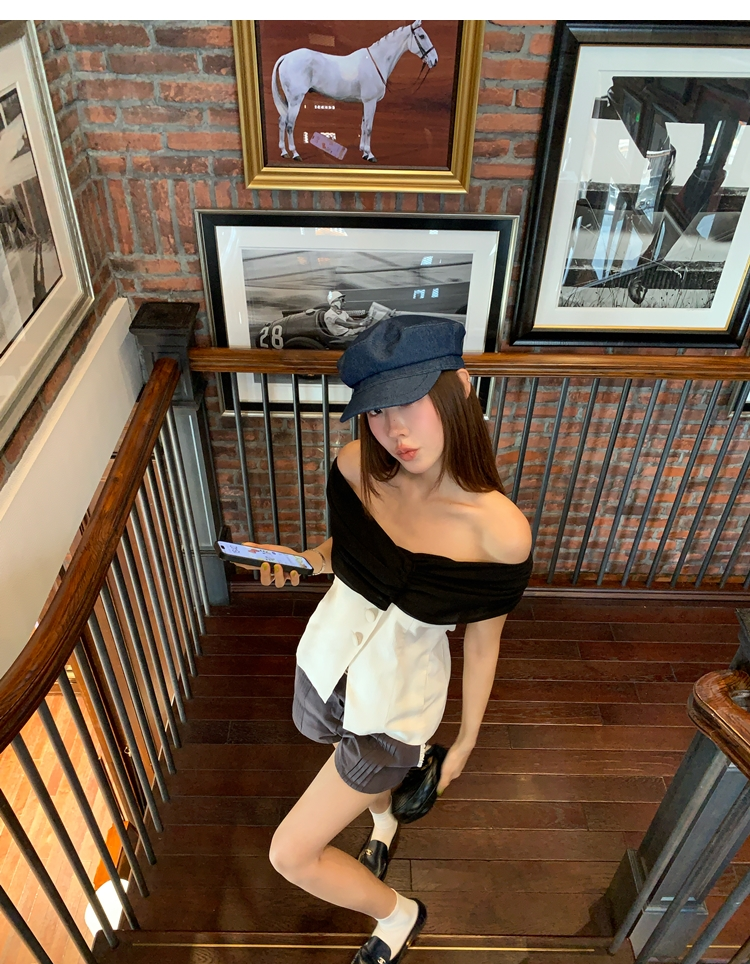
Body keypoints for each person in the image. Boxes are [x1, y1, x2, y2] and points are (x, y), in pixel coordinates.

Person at [244, 315, 532, 964]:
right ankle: (381, 819)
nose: (394, 430)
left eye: (410, 401)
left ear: (461, 386)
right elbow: (347, 549)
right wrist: (304, 561)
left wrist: (465, 741)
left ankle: (400, 914)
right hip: (325, 667)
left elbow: (483, 643)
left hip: (395, 712)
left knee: (291, 853)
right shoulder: (356, 468)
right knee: (348, 767)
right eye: (376, 410)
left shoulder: (498, 532)